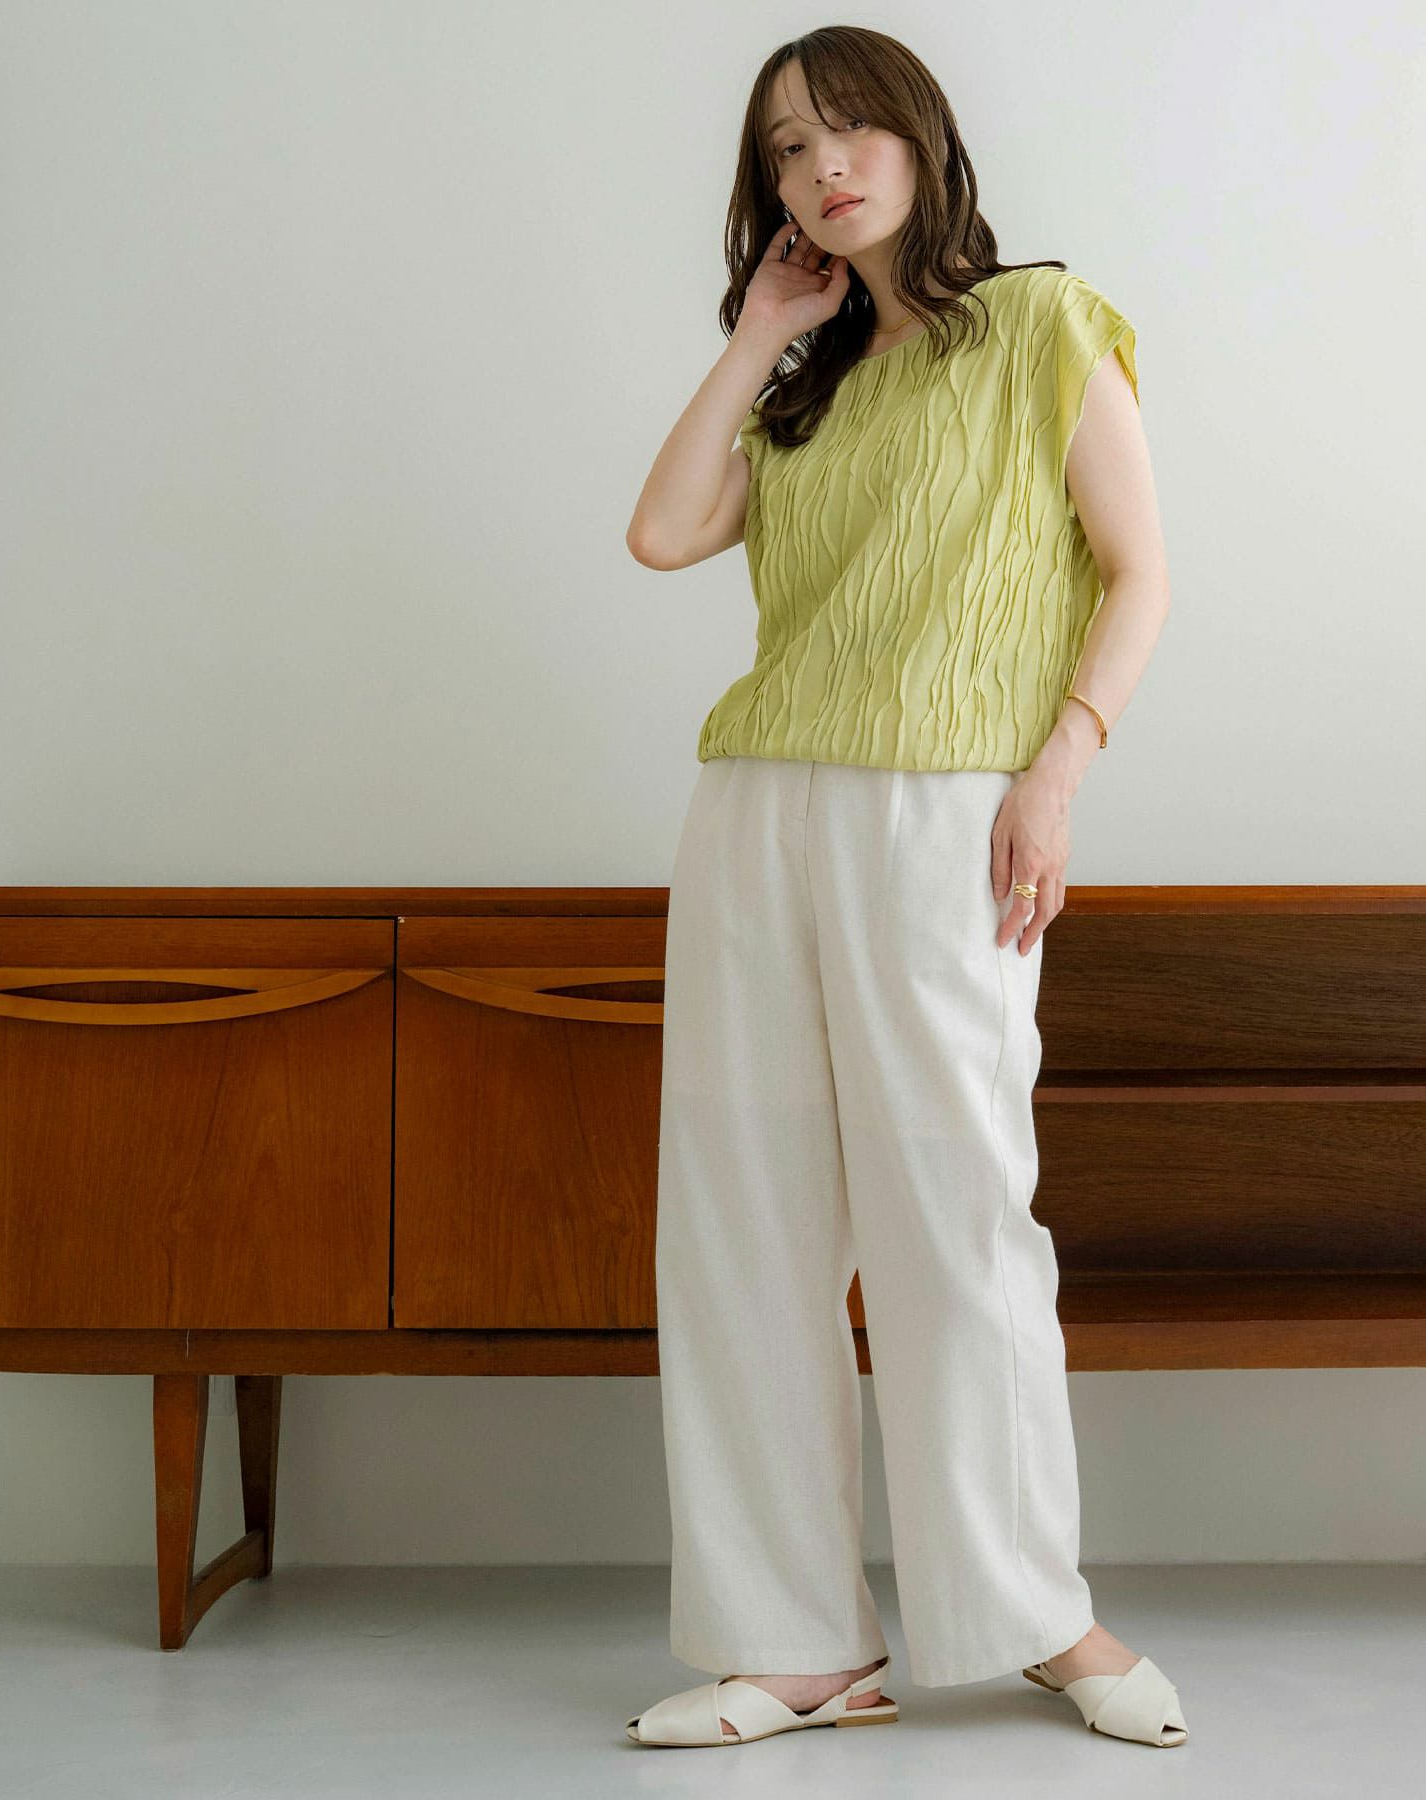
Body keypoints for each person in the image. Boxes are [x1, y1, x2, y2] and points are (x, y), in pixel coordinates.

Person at [624, 25, 1184, 1752]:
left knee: (956, 1208)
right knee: (742, 1217)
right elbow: (660, 532)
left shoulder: (1043, 322)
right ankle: (792, 1640)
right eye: (788, 150)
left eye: (852, 130)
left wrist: (1057, 772)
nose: (824, 168)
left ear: (924, 140)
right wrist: (757, 335)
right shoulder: (805, 384)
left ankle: (1037, 1613)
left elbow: (1139, 574)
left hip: (947, 809)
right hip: (757, 808)